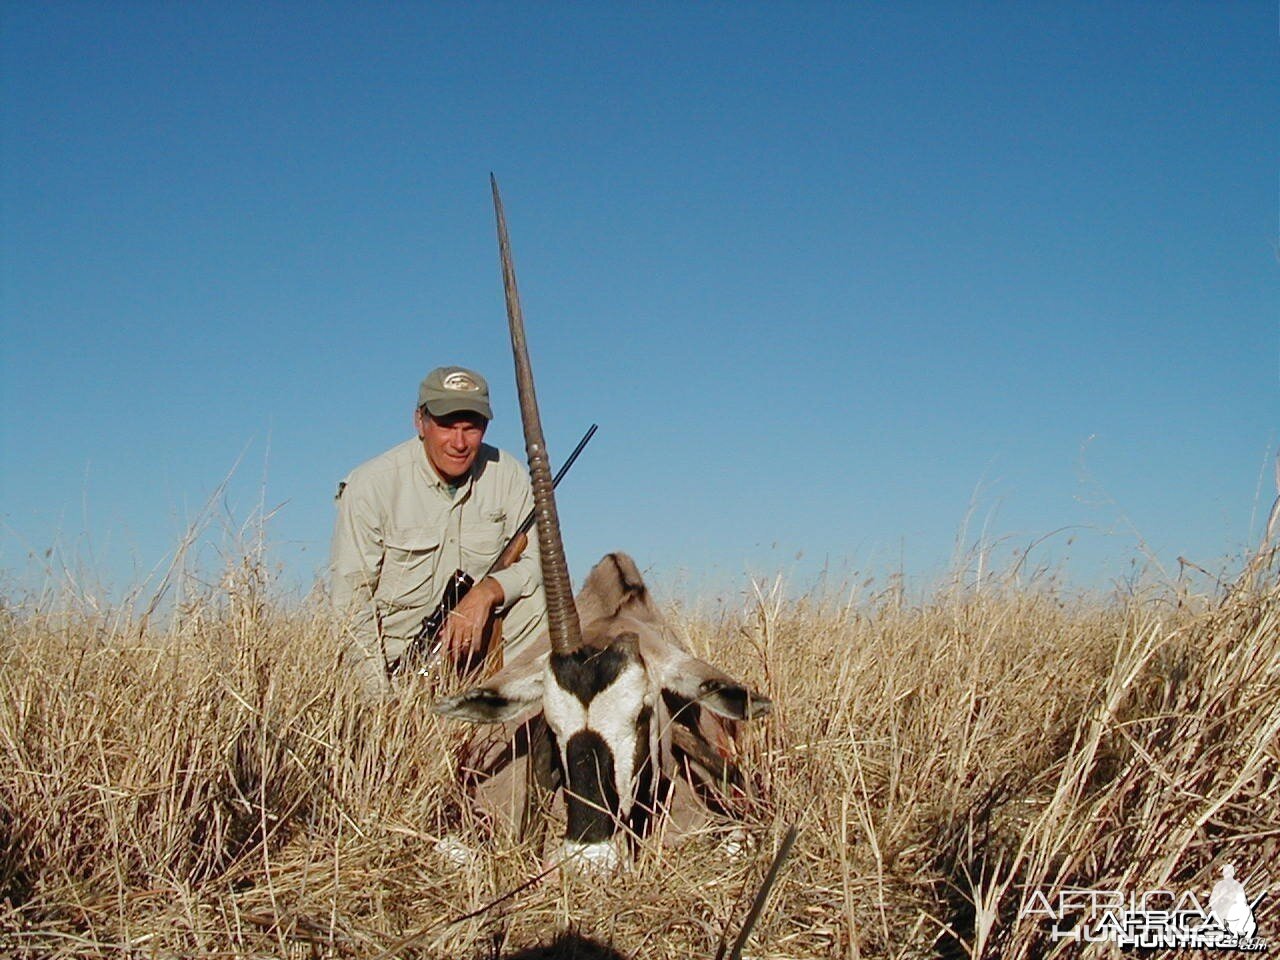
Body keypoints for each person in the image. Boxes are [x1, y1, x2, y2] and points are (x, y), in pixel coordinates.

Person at [330, 366, 547, 698]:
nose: (459, 443)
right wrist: (378, 701)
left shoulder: (509, 475)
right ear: (420, 421)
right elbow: (351, 599)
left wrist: (487, 592)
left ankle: (516, 718)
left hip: (480, 645)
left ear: (485, 427)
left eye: (470, 428)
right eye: (446, 426)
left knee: (538, 598)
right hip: (402, 664)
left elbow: (539, 563)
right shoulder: (370, 486)